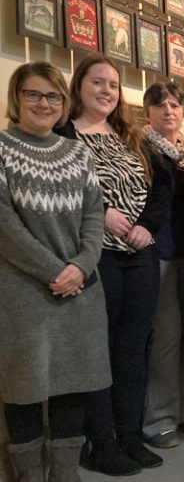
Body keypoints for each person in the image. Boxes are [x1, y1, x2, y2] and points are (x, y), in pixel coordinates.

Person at [58, 54, 170, 475]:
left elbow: (161, 189)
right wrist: (100, 211)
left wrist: (146, 226)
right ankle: (100, 442)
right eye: (97, 82)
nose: (106, 90)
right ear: (79, 87)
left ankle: (129, 435)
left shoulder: (132, 134)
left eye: (113, 84)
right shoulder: (62, 135)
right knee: (99, 350)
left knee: (133, 349)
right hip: (94, 254)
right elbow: (59, 193)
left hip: (139, 253)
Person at [0, 62, 110, 482]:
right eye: (33, 94)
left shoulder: (77, 152)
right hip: (23, 290)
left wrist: (80, 266)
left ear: (63, 103)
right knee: (24, 385)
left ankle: (65, 474)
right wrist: (54, 270)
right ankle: (28, 475)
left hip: (79, 287)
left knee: (75, 380)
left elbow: (94, 217)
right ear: (17, 98)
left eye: (53, 96)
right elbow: (4, 226)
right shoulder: (2, 147)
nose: (44, 103)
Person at [141, 83, 184, 449]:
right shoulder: (141, 149)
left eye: (174, 105)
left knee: (183, 336)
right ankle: (158, 420)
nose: (168, 110)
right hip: (160, 253)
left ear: (183, 111)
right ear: (147, 112)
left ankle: (183, 410)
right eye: (159, 105)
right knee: (165, 339)